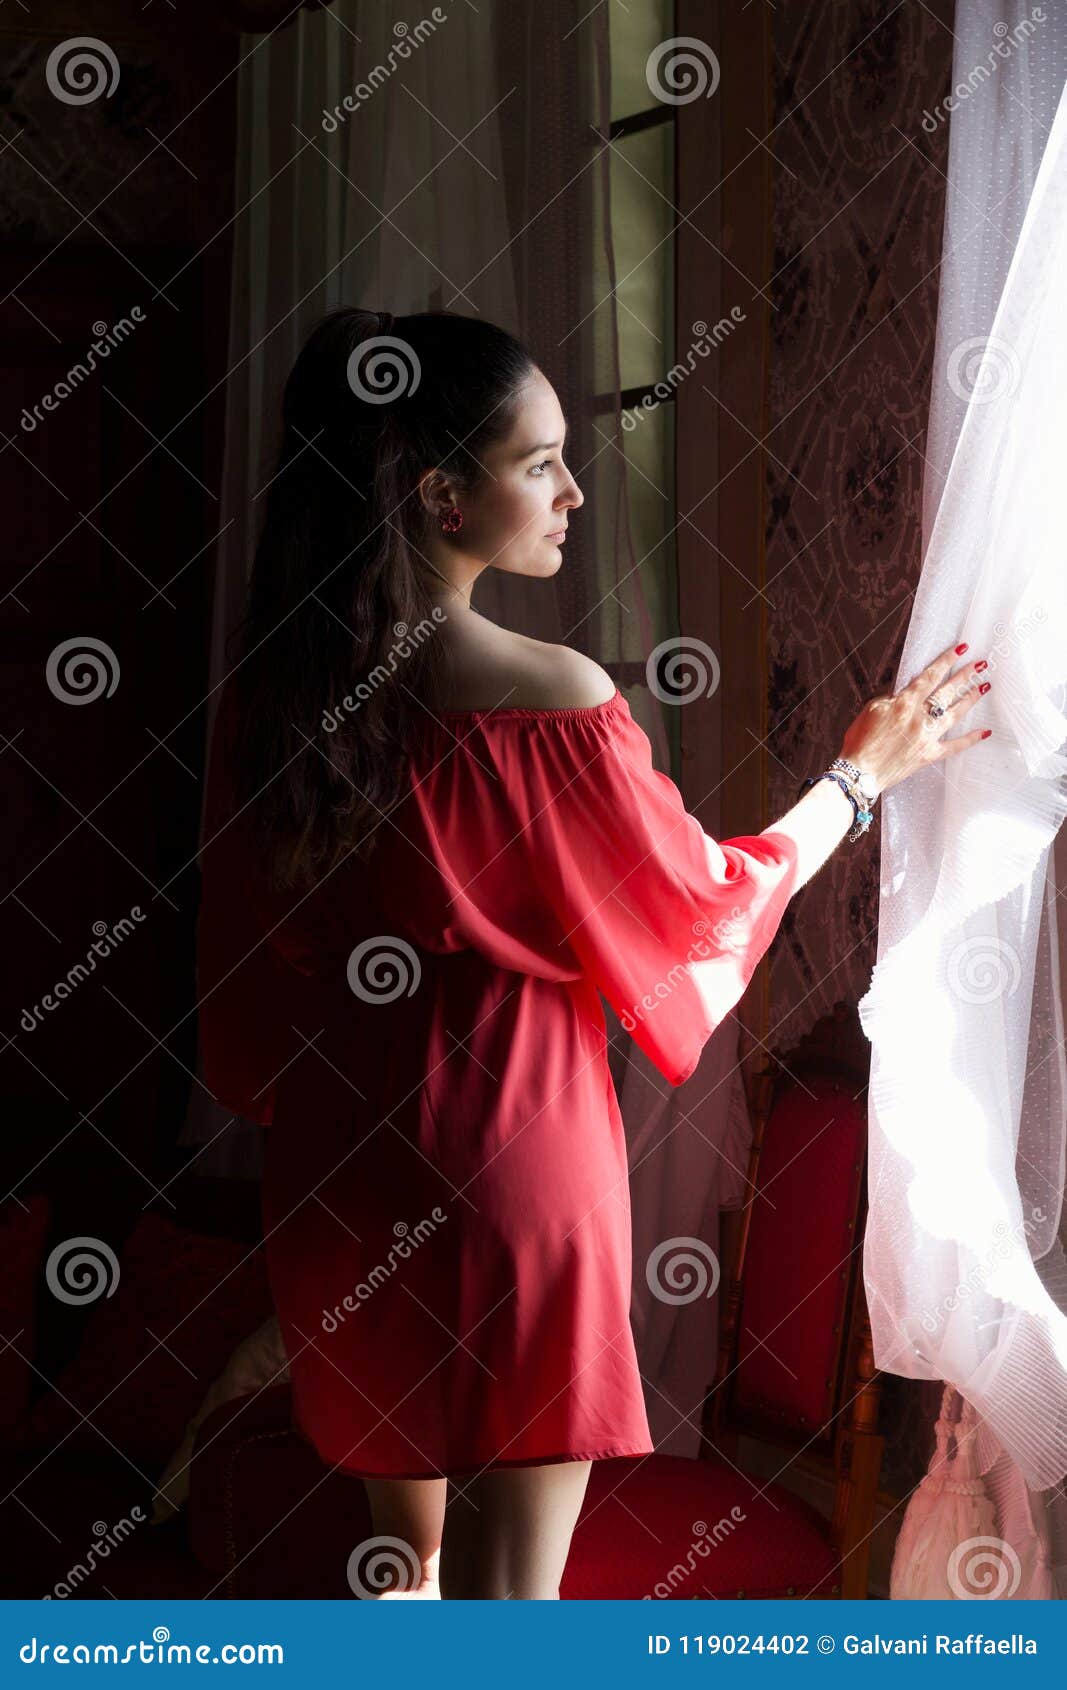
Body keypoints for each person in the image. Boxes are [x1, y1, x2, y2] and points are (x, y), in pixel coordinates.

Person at [195, 306, 992, 1601]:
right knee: (518, 1616)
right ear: (443, 496)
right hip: (513, 1173)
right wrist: (857, 779)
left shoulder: (283, 705)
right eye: (539, 462)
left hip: (341, 1171)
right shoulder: (550, 702)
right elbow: (701, 910)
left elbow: (245, 983)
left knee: (405, 1576)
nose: (573, 490)